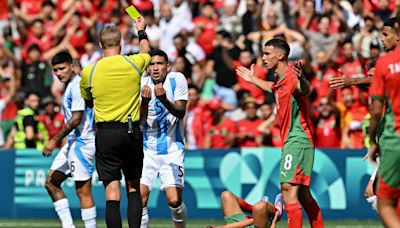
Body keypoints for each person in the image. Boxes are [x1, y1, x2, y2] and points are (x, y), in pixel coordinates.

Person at [236, 38, 324, 228]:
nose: (263, 57)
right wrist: (252, 79)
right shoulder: (279, 78)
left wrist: (302, 79)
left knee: (287, 190)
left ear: (281, 55)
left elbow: (304, 90)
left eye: (267, 53)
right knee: (302, 193)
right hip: (292, 140)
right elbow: (272, 88)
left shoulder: (292, 75)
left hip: (297, 138)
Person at [80, 17, 151, 228]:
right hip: (130, 130)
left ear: (101, 45)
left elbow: (89, 102)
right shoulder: (133, 62)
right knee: (133, 187)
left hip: (105, 133)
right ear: (120, 44)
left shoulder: (88, 72)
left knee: (112, 190)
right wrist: (141, 31)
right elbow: (146, 51)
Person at [42, 51, 96, 228]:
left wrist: (54, 140)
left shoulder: (78, 85)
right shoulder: (69, 86)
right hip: (73, 143)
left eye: (62, 68)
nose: (58, 73)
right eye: (55, 70)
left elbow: (76, 118)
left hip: (83, 143)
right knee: (51, 183)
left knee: (83, 191)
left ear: (72, 67)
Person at [139, 49, 188, 228]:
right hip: (147, 151)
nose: (155, 68)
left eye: (159, 64)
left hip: (173, 150)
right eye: (151, 64)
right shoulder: (141, 84)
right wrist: (144, 102)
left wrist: (164, 100)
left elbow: (181, 113)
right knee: (140, 200)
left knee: (174, 201)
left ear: (167, 66)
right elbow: (141, 121)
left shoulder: (177, 79)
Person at [368, 19, 400, 227]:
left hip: (395, 138)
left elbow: (376, 109)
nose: (382, 38)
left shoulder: (385, 63)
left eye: (386, 34)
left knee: (384, 202)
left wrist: (373, 140)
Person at [208, 191, 284, 228]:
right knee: (260, 207)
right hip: (256, 226)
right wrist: (274, 220)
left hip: (235, 224)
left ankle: (257, 211)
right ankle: (277, 210)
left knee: (226, 195)